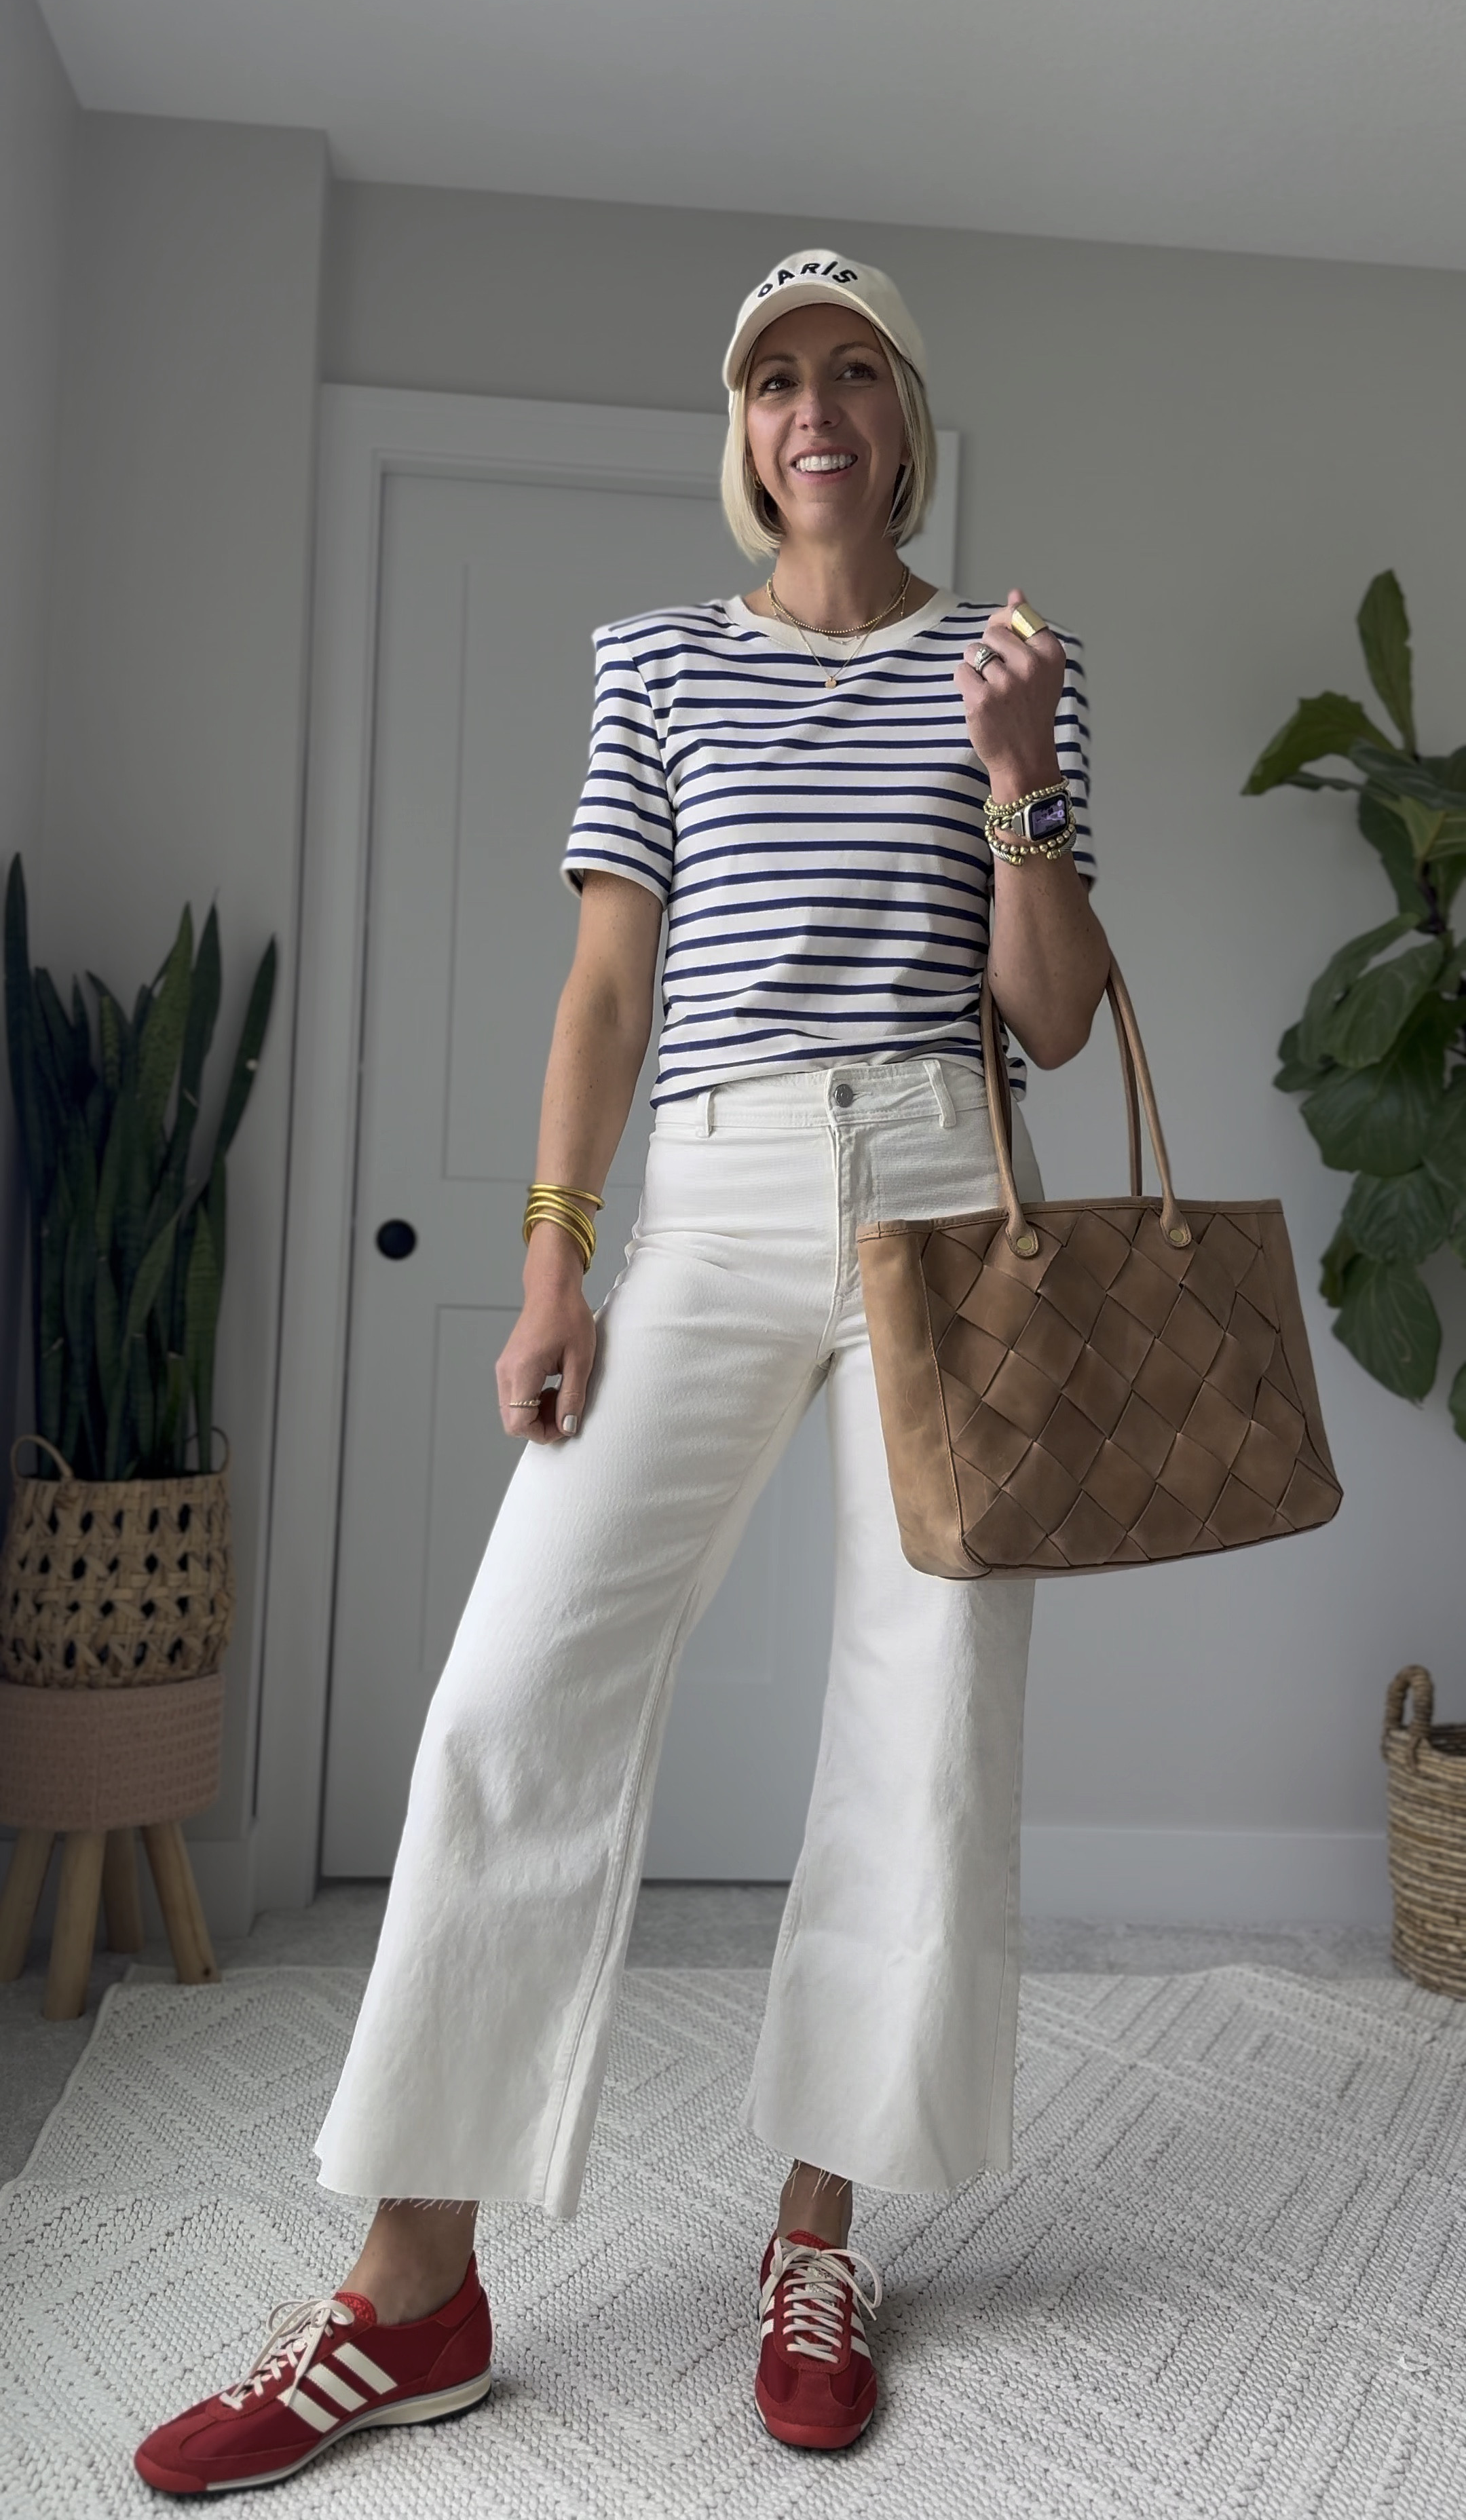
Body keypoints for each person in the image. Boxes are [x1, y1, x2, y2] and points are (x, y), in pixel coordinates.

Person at [134, 249, 1111, 2495]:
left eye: (855, 368)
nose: (815, 406)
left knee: (924, 1721)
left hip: (952, 1187)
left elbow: (1055, 1011)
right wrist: (556, 1264)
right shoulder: (655, 664)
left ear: (907, 413)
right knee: (512, 1692)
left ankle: (819, 2233)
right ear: (742, 428)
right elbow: (604, 995)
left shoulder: (1015, 662)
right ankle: (413, 2287)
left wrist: (1022, 781)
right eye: (777, 376)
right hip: (719, 1182)